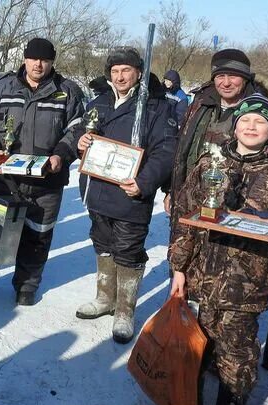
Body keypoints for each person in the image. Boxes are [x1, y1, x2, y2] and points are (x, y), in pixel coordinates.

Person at [165, 94, 268, 405]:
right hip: (201, 277)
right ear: (235, 126)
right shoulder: (208, 164)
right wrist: (179, 269)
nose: (251, 126)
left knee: (235, 357)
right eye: (245, 120)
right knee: (193, 347)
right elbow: (186, 220)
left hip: (246, 288)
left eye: (260, 122)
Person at [0, 38, 84, 306]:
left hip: (47, 180)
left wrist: (61, 155)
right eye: (34, 58)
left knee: (38, 235)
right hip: (6, 177)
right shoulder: (3, 87)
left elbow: (77, 129)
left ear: (52, 62)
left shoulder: (68, 92)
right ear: (25, 59)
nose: (39, 64)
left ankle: (26, 285)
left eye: (45, 59)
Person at [73, 47, 177, 343]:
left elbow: (165, 152)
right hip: (97, 189)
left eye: (126, 70)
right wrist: (81, 140)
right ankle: (105, 298)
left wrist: (144, 182)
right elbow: (84, 131)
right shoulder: (99, 102)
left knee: (128, 250)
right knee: (102, 244)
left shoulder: (157, 107)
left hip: (130, 194)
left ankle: (124, 311)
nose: (120, 76)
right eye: (115, 71)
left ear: (138, 73)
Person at [166, 48, 268, 217]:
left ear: (245, 78)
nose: (226, 82)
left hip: (242, 216)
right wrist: (172, 191)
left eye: (233, 76)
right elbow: (181, 149)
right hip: (190, 204)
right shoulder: (199, 104)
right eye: (220, 76)